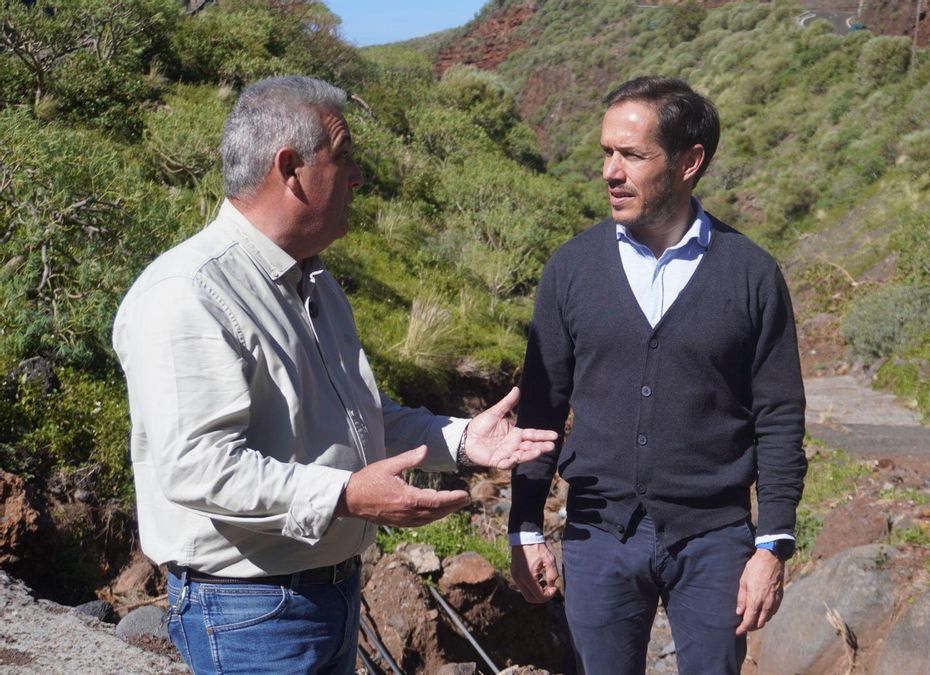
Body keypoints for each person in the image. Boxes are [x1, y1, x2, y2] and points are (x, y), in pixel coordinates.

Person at [112, 76, 557, 675]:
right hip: (251, 610)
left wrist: (460, 440)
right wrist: (346, 495)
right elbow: (197, 467)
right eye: (343, 157)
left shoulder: (314, 283)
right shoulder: (188, 294)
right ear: (290, 168)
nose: (358, 177)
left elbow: (355, 419)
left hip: (328, 596)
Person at [508, 76, 807, 674]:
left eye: (633, 155)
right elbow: (541, 410)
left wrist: (772, 543)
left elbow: (778, 416)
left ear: (690, 162)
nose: (610, 172)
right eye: (606, 153)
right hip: (597, 534)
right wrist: (524, 528)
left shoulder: (750, 274)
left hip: (715, 538)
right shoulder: (571, 270)